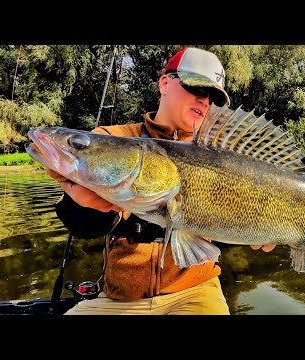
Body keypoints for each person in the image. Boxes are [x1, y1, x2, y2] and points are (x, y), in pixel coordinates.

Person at [47, 47, 276, 315]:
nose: (205, 101)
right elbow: (83, 227)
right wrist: (86, 205)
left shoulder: (223, 155)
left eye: (213, 97)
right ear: (165, 83)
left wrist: (259, 228)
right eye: (198, 88)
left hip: (197, 292)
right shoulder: (113, 138)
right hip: (120, 299)